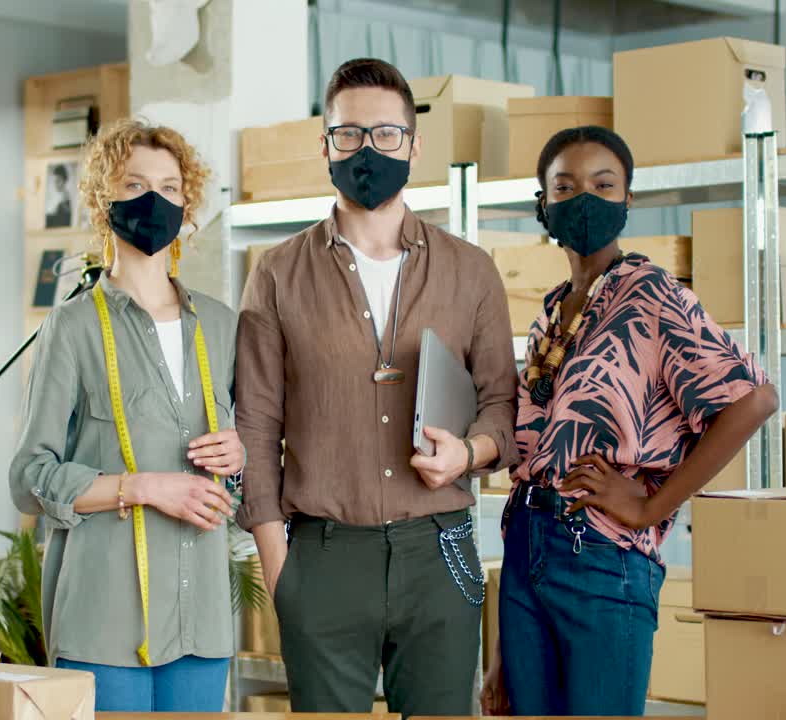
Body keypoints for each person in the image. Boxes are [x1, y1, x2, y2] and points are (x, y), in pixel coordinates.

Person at [235, 57, 518, 717]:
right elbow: (255, 425)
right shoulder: (276, 276)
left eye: (386, 134)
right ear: (326, 146)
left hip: (439, 550)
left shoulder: (471, 272)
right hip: (323, 555)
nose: (368, 149)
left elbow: (503, 405)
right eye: (349, 134)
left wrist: (468, 454)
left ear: (415, 146)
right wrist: (283, 575)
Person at [480, 126, 780, 717]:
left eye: (603, 184)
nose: (584, 198)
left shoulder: (653, 294)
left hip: (602, 556)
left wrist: (650, 505)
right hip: (524, 554)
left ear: (627, 201)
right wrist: (500, 647)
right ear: (544, 206)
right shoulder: (551, 311)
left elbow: (754, 400)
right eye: (565, 186)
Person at [9, 119, 244, 713]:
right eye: (134, 184)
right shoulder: (72, 327)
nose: (153, 201)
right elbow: (29, 475)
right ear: (102, 198)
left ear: (187, 205)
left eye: (169, 188)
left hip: (203, 620)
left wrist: (238, 458)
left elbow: (246, 476)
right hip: (105, 622)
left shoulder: (220, 326)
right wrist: (139, 487)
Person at [46, 163, 73, 228]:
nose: (56, 183)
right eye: (55, 181)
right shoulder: (56, 197)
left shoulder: (66, 199)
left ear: (64, 180)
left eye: (58, 180)